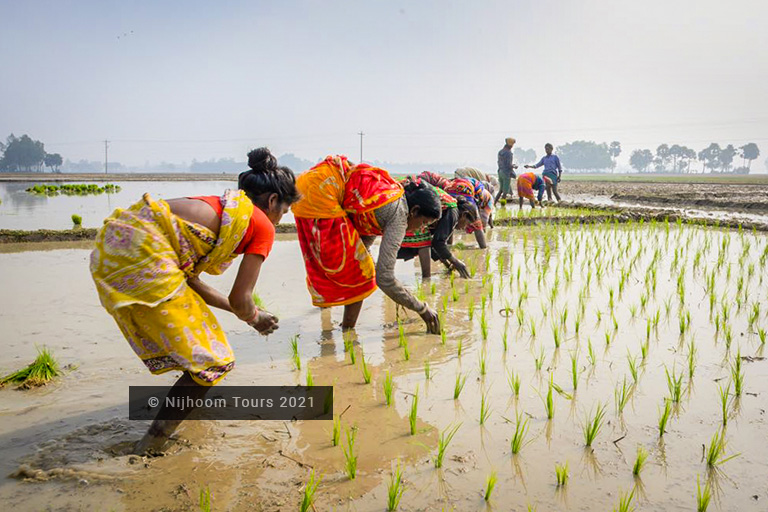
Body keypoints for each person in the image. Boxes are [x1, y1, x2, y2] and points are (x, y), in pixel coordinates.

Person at [89, 147, 299, 454]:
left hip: (115, 244)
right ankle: (150, 445)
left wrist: (248, 314)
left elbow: (193, 283)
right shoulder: (261, 224)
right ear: (271, 201)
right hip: (146, 254)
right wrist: (255, 317)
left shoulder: (225, 209)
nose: (280, 220)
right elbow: (242, 299)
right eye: (283, 212)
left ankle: (179, 412)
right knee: (214, 360)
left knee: (200, 353)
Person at [292, 155, 442, 333]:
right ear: (415, 210)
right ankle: (348, 334)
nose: (420, 230)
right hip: (322, 193)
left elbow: (363, 245)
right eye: (423, 223)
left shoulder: (387, 198)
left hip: (310, 185)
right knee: (361, 274)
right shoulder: (399, 215)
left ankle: (329, 328)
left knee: (351, 265)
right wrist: (422, 309)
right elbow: (384, 278)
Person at [397, 179, 479, 279]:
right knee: (424, 243)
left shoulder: (451, 207)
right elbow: (438, 243)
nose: (463, 228)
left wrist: (448, 265)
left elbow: (436, 244)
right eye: (467, 224)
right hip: (417, 210)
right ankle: (426, 280)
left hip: (411, 204)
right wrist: (456, 262)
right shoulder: (453, 212)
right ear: (464, 215)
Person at [495, 137, 517, 205]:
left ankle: (494, 203)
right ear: (510, 145)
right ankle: (502, 205)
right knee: (505, 192)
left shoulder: (500, 152)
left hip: (500, 171)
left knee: (500, 190)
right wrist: (514, 166)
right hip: (506, 173)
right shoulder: (509, 153)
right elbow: (508, 165)